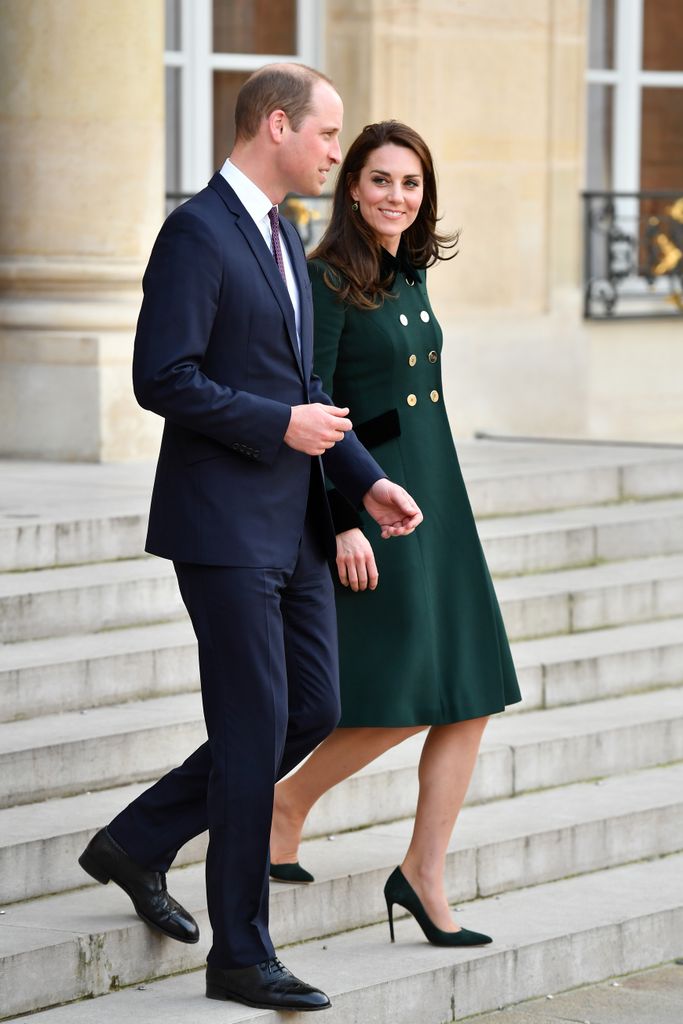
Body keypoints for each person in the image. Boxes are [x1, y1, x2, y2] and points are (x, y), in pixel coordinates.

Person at [77, 69, 423, 1013]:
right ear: (276, 125)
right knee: (251, 728)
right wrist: (277, 425)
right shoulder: (196, 233)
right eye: (326, 132)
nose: (332, 150)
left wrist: (366, 479)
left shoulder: (282, 234)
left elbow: (308, 393)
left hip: (298, 525)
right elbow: (164, 376)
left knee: (311, 707)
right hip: (223, 528)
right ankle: (241, 952)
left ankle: (137, 840)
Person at [270, 120, 521, 947]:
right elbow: (318, 403)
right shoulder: (327, 280)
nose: (395, 197)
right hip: (373, 502)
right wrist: (342, 520)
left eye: (409, 184)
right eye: (380, 180)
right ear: (350, 187)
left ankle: (422, 873)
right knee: (415, 691)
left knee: (472, 691)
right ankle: (287, 801)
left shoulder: (407, 270)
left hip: (435, 494)